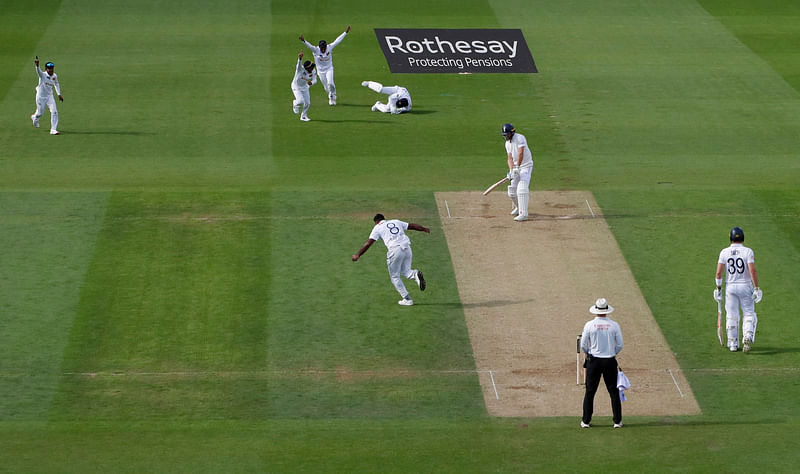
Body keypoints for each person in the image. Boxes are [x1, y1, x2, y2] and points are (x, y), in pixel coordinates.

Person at [351, 213, 429, 306]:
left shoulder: (377, 227)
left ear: (376, 222)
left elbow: (368, 243)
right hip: (407, 247)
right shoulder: (395, 221)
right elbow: (411, 226)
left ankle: (407, 299)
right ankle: (415, 274)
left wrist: (358, 255)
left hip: (395, 250)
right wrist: (424, 229)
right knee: (406, 271)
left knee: (395, 276)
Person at [715, 226, 761, 353]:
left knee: (731, 315)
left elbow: (718, 273)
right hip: (745, 285)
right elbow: (752, 270)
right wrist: (756, 287)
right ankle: (747, 336)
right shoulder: (748, 252)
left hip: (730, 286)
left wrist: (718, 288)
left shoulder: (724, 252)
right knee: (749, 313)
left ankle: (733, 344)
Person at [580, 298, 624, 429]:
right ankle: (617, 421)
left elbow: (583, 345)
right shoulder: (614, 325)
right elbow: (620, 345)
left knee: (590, 391)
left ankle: (586, 421)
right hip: (609, 360)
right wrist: (612, 353)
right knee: (613, 391)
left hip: (594, 361)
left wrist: (589, 353)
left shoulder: (589, 325)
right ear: (606, 310)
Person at [300, 26, 350, 105]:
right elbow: (309, 46)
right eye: (322, 48)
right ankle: (330, 95)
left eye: (324, 47)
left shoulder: (329, 48)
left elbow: (337, 41)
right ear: (319, 47)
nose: (323, 49)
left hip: (329, 69)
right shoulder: (316, 50)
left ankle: (333, 96)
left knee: (330, 83)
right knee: (326, 88)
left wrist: (345, 32)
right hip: (320, 71)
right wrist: (304, 41)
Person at [501, 123, 534, 221]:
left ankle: (524, 214)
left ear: (512, 133)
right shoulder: (507, 144)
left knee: (522, 188)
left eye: (506, 134)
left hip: (526, 166)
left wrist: (517, 167)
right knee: (512, 191)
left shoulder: (520, 138)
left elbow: (521, 153)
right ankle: (519, 207)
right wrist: (511, 170)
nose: (505, 136)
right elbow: (509, 158)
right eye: (504, 135)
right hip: (516, 168)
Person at [31, 56, 63, 135]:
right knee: (40, 113)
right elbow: (38, 72)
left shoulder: (54, 76)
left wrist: (59, 94)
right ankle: (35, 117)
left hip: (49, 96)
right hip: (40, 97)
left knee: (54, 111)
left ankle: (53, 129)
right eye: (49, 68)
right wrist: (37, 65)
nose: (51, 70)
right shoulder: (43, 75)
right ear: (46, 69)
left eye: (52, 68)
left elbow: (56, 84)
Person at [291, 52, 317, 122]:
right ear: (307, 68)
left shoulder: (313, 71)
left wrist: (311, 83)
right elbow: (298, 65)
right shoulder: (300, 69)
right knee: (300, 101)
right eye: (311, 67)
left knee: (308, 103)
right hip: (296, 87)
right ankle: (295, 104)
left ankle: (303, 116)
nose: (312, 68)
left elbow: (315, 80)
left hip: (305, 87)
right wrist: (300, 58)